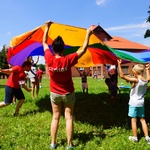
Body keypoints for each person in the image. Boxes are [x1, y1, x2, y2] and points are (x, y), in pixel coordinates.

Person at [43, 20, 93, 149]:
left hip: (54, 94)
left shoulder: (49, 58)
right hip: (68, 93)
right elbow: (83, 49)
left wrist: (47, 27)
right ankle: (69, 145)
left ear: (53, 48)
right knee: (69, 118)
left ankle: (53, 143)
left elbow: (43, 42)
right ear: (63, 48)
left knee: (55, 118)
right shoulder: (68, 59)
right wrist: (88, 34)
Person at [117, 59, 150, 144]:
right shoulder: (145, 80)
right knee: (142, 120)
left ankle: (135, 137)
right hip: (141, 102)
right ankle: (147, 138)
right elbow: (148, 78)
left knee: (134, 120)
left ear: (135, 72)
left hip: (133, 103)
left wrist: (119, 64)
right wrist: (147, 69)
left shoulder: (136, 80)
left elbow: (121, 75)